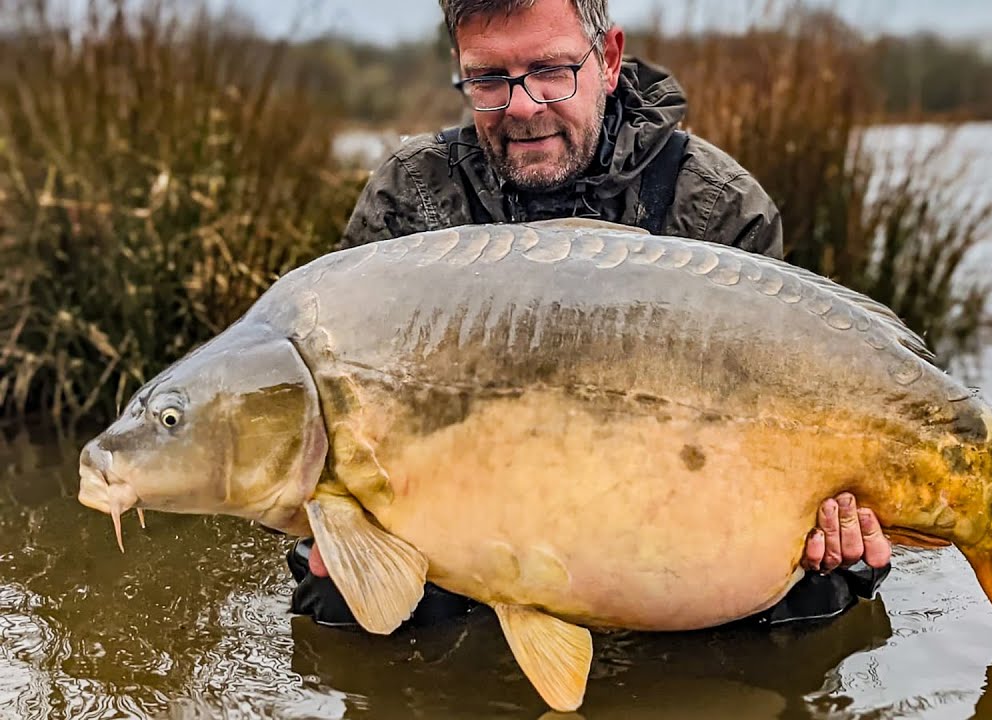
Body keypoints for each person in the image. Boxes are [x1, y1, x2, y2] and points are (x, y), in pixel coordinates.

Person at [288, 0, 893, 631]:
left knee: (814, 592)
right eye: (490, 78)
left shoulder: (715, 206)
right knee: (331, 600)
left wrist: (836, 533)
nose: (522, 107)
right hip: (466, 512)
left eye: (551, 70)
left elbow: (774, 420)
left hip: (662, 503)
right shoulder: (409, 197)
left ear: (607, 60)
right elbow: (348, 403)